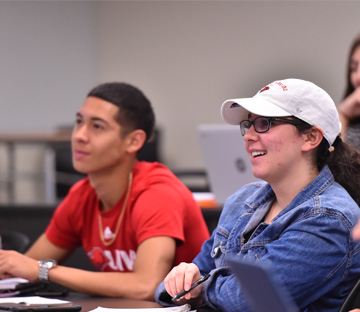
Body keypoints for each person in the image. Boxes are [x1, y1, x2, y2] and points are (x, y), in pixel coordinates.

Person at [155, 79, 360, 312]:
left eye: (264, 123)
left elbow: (247, 301)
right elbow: (168, 290)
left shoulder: (330, 217)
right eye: (248, 124)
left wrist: (199, 289)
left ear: (311, 138)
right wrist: (181, 279)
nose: (248, 136)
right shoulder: (243, 200)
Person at [0, 82, 210, 300]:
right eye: (79, 122)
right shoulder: (82, 196)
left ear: (134, 141)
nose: (79, 135)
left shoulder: (157, 192)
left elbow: (146, 285)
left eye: (97, 126)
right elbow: (23, 269)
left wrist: (44, 271)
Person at [338, 33, 360, 150]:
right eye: (354, 68)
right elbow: (333, 164)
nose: (358, 76)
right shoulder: (348, 126)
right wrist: (343, 113)